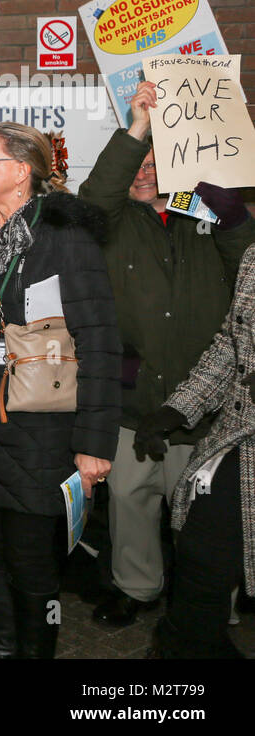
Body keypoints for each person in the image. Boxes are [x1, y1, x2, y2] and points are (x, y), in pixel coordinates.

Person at [79, 80, 255, 628]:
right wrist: (136, 127)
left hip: (208, 403)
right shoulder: (111, 221)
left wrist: (224, 203)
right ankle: (138, 587)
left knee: (207, 510)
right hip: (137, 396)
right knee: (132, 498)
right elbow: (96, 195)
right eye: (138, 161)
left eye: (156, 160)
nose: (143, 171)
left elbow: (247, 259)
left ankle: (210, 606)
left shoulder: (208, 218)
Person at [0, 122, 119, 658]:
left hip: (41, 437)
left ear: (21, 171)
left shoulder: (66, 238)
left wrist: (94, 442)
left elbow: (99, 340)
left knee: (34, 575)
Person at [140, 247, 255, 658]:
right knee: (201, 560)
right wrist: (176, 409)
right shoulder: (254, 257)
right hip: (238, 442)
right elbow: (230, 346)